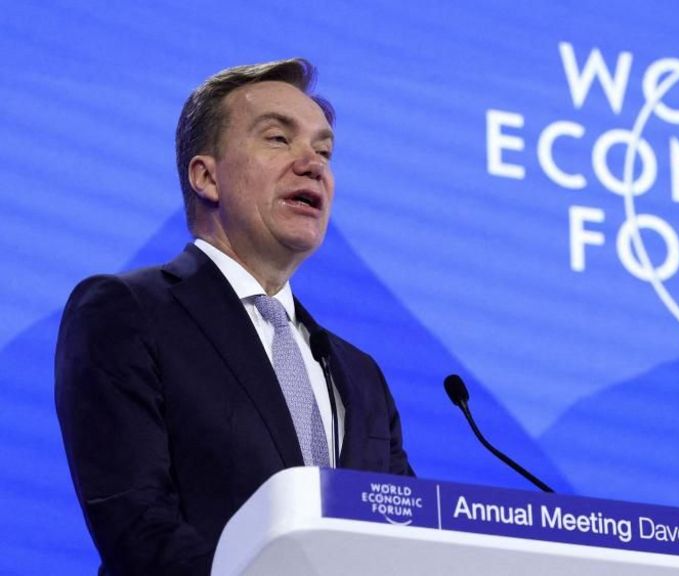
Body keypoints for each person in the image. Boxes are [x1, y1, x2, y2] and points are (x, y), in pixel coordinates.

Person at [55, 58, 413, 576]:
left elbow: (406, 542)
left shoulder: (361, 378)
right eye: (278, 139)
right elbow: (137, 525)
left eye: (324, 151)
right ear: (206, 176)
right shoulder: (127, 312)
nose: (312, 164)